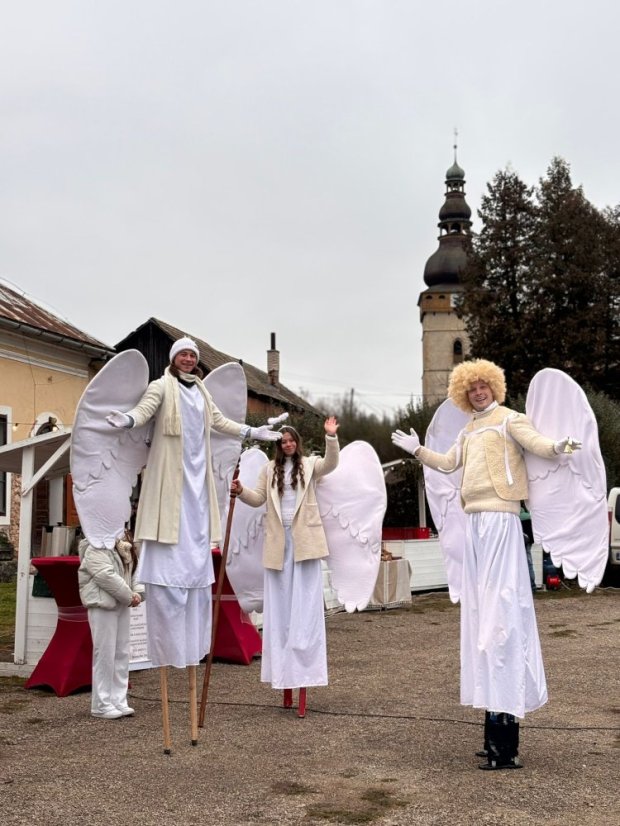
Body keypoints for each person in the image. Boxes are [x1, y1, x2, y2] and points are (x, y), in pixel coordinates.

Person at [391, 359, 581, 770]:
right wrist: (418, 450)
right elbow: (447, 464)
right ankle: (494, 723)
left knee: (501, 614)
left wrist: (561, 446)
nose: (478, 392)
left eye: (483, 386)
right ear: (464, 393)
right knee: (481, 616)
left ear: (495, 387)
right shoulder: (469, 429)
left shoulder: (510, 419)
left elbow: (538, 443)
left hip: (500, 520)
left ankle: (504, 738)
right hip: (474, 520)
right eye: (471, 388)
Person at [106, 336, 281, 748]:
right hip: (171, 470)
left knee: (198, 516)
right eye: (183, 354)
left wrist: (255, 430)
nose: (188, 359)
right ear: (173, 359)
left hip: (198, 473)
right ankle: (172, 557)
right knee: (173, 513)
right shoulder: (160, 387)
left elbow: (220, 422)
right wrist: (128, 421)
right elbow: (145, 411)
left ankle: (191, 552)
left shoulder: (200, 390)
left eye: (192, 356)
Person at [231, 417, 339, 717]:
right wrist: (240, 490)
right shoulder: (269, 470)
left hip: (304, 543)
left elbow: (331, 464)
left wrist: (331, 437)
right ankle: (283, 674)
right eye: (283, 441)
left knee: (304, 607)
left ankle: (305, 672)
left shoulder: (309, 465)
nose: (287, 444)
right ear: (278, 445)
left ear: (297, 442)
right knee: (280, 608)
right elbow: (258, 499)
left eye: (291, 440)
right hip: (279, 544)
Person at [78, 534, 143, 720]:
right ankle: (101, 703)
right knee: (105, 652)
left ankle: (118, 699)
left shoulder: (123, 545)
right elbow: (105, 575)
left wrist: (138, 592)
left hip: (122, 603)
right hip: (102, 604)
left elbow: (134, 570)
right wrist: (130, 595)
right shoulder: (94, 546)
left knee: (121, 651)